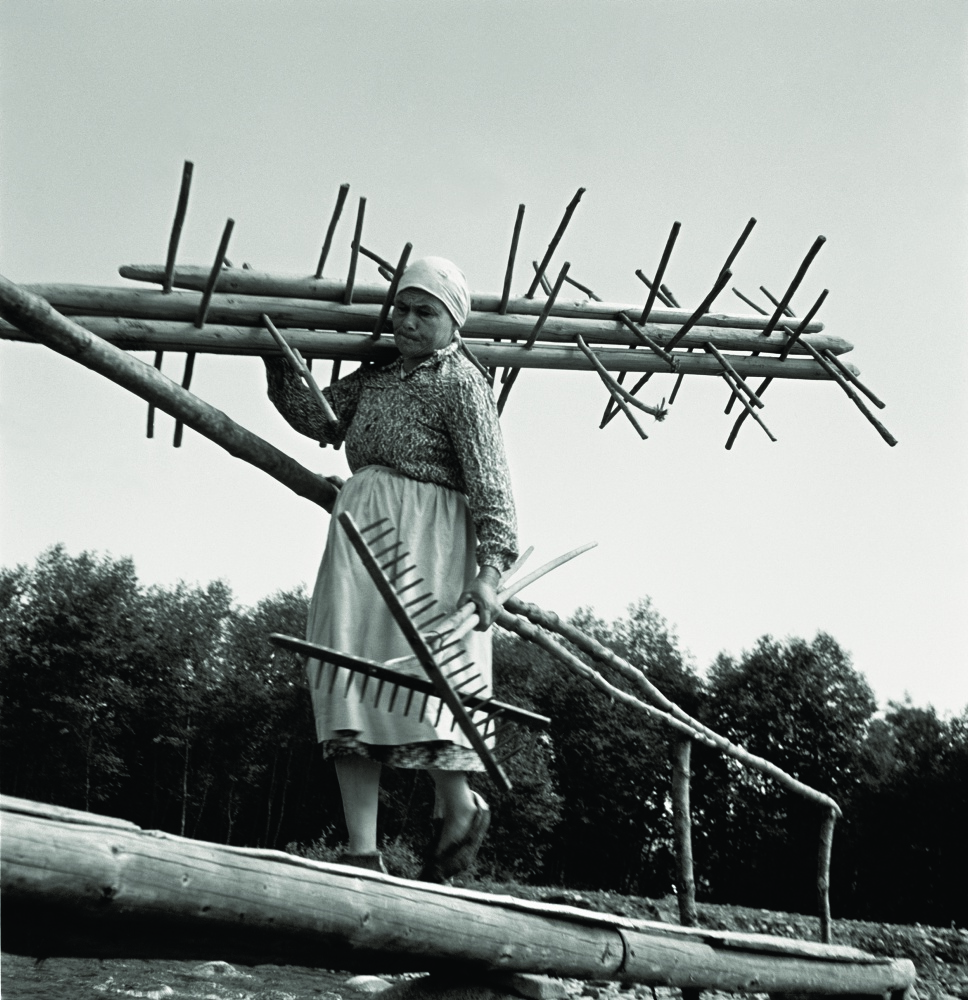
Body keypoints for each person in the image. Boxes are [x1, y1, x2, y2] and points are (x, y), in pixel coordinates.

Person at [263, 256, 518, 881]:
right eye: (400, 308)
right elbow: (318, 418)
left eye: (423, 312)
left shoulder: (462, 383)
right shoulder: (377, 376)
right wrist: (274, 353)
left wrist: (491, 570)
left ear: (452, 322)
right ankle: (362, 851)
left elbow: (492, 484)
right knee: (345, 674)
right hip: (359, 539)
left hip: (428, 543)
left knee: (430, 677)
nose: (406, 321)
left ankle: (460, 806)